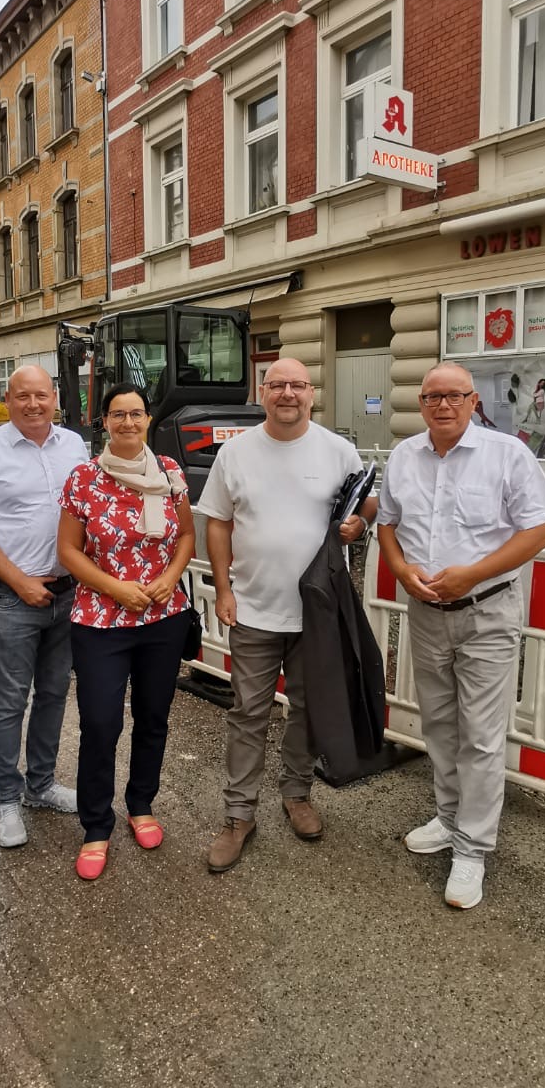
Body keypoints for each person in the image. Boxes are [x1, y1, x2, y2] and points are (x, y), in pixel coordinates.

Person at [376, 363, 545, 910]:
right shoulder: (404, 457)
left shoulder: (507, 454)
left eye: (454, 395)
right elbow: (387, 523)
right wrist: (403, 572)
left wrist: (471, 574)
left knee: (480, 733)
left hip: (486, 611)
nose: (443, 405)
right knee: (440, 724)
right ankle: (448, 817)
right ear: (421, 402)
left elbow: (540, 530)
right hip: (427, 611)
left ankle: (472, 850)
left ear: (473, 400)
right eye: (432, 396)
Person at [198, 358, 374, 873]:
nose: (288, 394)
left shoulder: (337, 450)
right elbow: (218, 524)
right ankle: (238, 815)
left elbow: (366, 505)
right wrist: (223, 588)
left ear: (311, 394)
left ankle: (297, 794)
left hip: (317, 612)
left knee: (308, 709)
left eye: (298, 385)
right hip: (253, 607)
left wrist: (358, 527)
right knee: (248, 713)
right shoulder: (236, 452)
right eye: (278, 385)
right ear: (264, 392)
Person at [56, 385, 195, 881]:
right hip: (101, 620)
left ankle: (141, 804)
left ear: (148, 419)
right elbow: (69, 552)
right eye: (119, 415)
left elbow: (184, 536)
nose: (129, 422)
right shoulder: (84, 479)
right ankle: (96, 825)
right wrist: (118, 587)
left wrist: (170, 577)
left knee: (154, 718)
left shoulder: (170, 473)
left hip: (163, 616)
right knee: (100, 723)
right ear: (104, 422)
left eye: (136, 414)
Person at [0, 365, 88, 847]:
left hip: (68, 593)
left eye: (42, 396)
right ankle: (5, 799)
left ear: (55, 398)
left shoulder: (74, 446)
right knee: (10, 701)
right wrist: (22, 582)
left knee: (54, 694)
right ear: (7, 401)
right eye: (22, 397)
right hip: (13, 598)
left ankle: (41, 785)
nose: (33, 405)